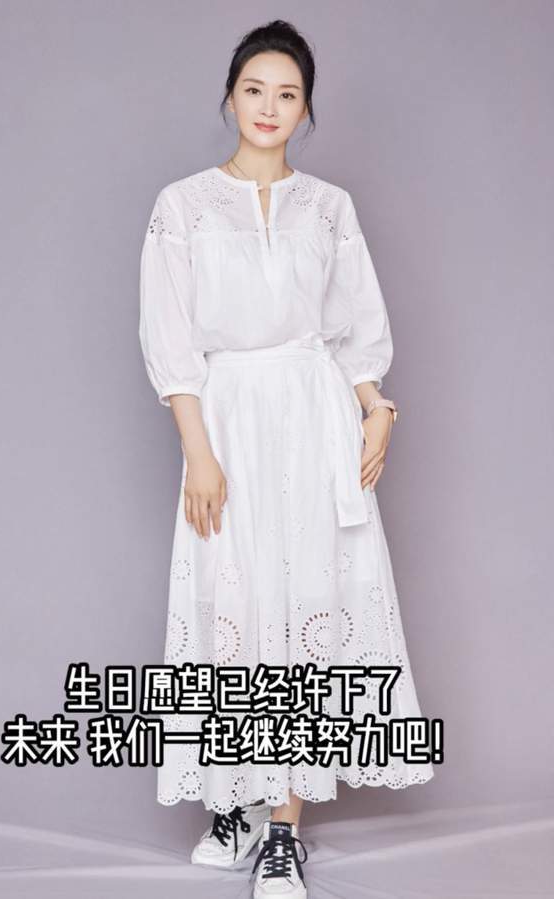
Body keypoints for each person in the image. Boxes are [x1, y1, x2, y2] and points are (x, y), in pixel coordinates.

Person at [138, 19, 434, 899]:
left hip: (313, 423)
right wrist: (198, 450)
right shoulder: (182, 206)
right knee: (233, 606)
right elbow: (170, 338)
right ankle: (233, 799)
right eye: (255, 89)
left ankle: (281, 830)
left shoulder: (329, 208)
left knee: (308, 606)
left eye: (288, 93)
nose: (269, 107)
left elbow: (352, 330)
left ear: (306, 110)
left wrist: (377, 407)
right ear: (230, 96)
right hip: (226, 419)